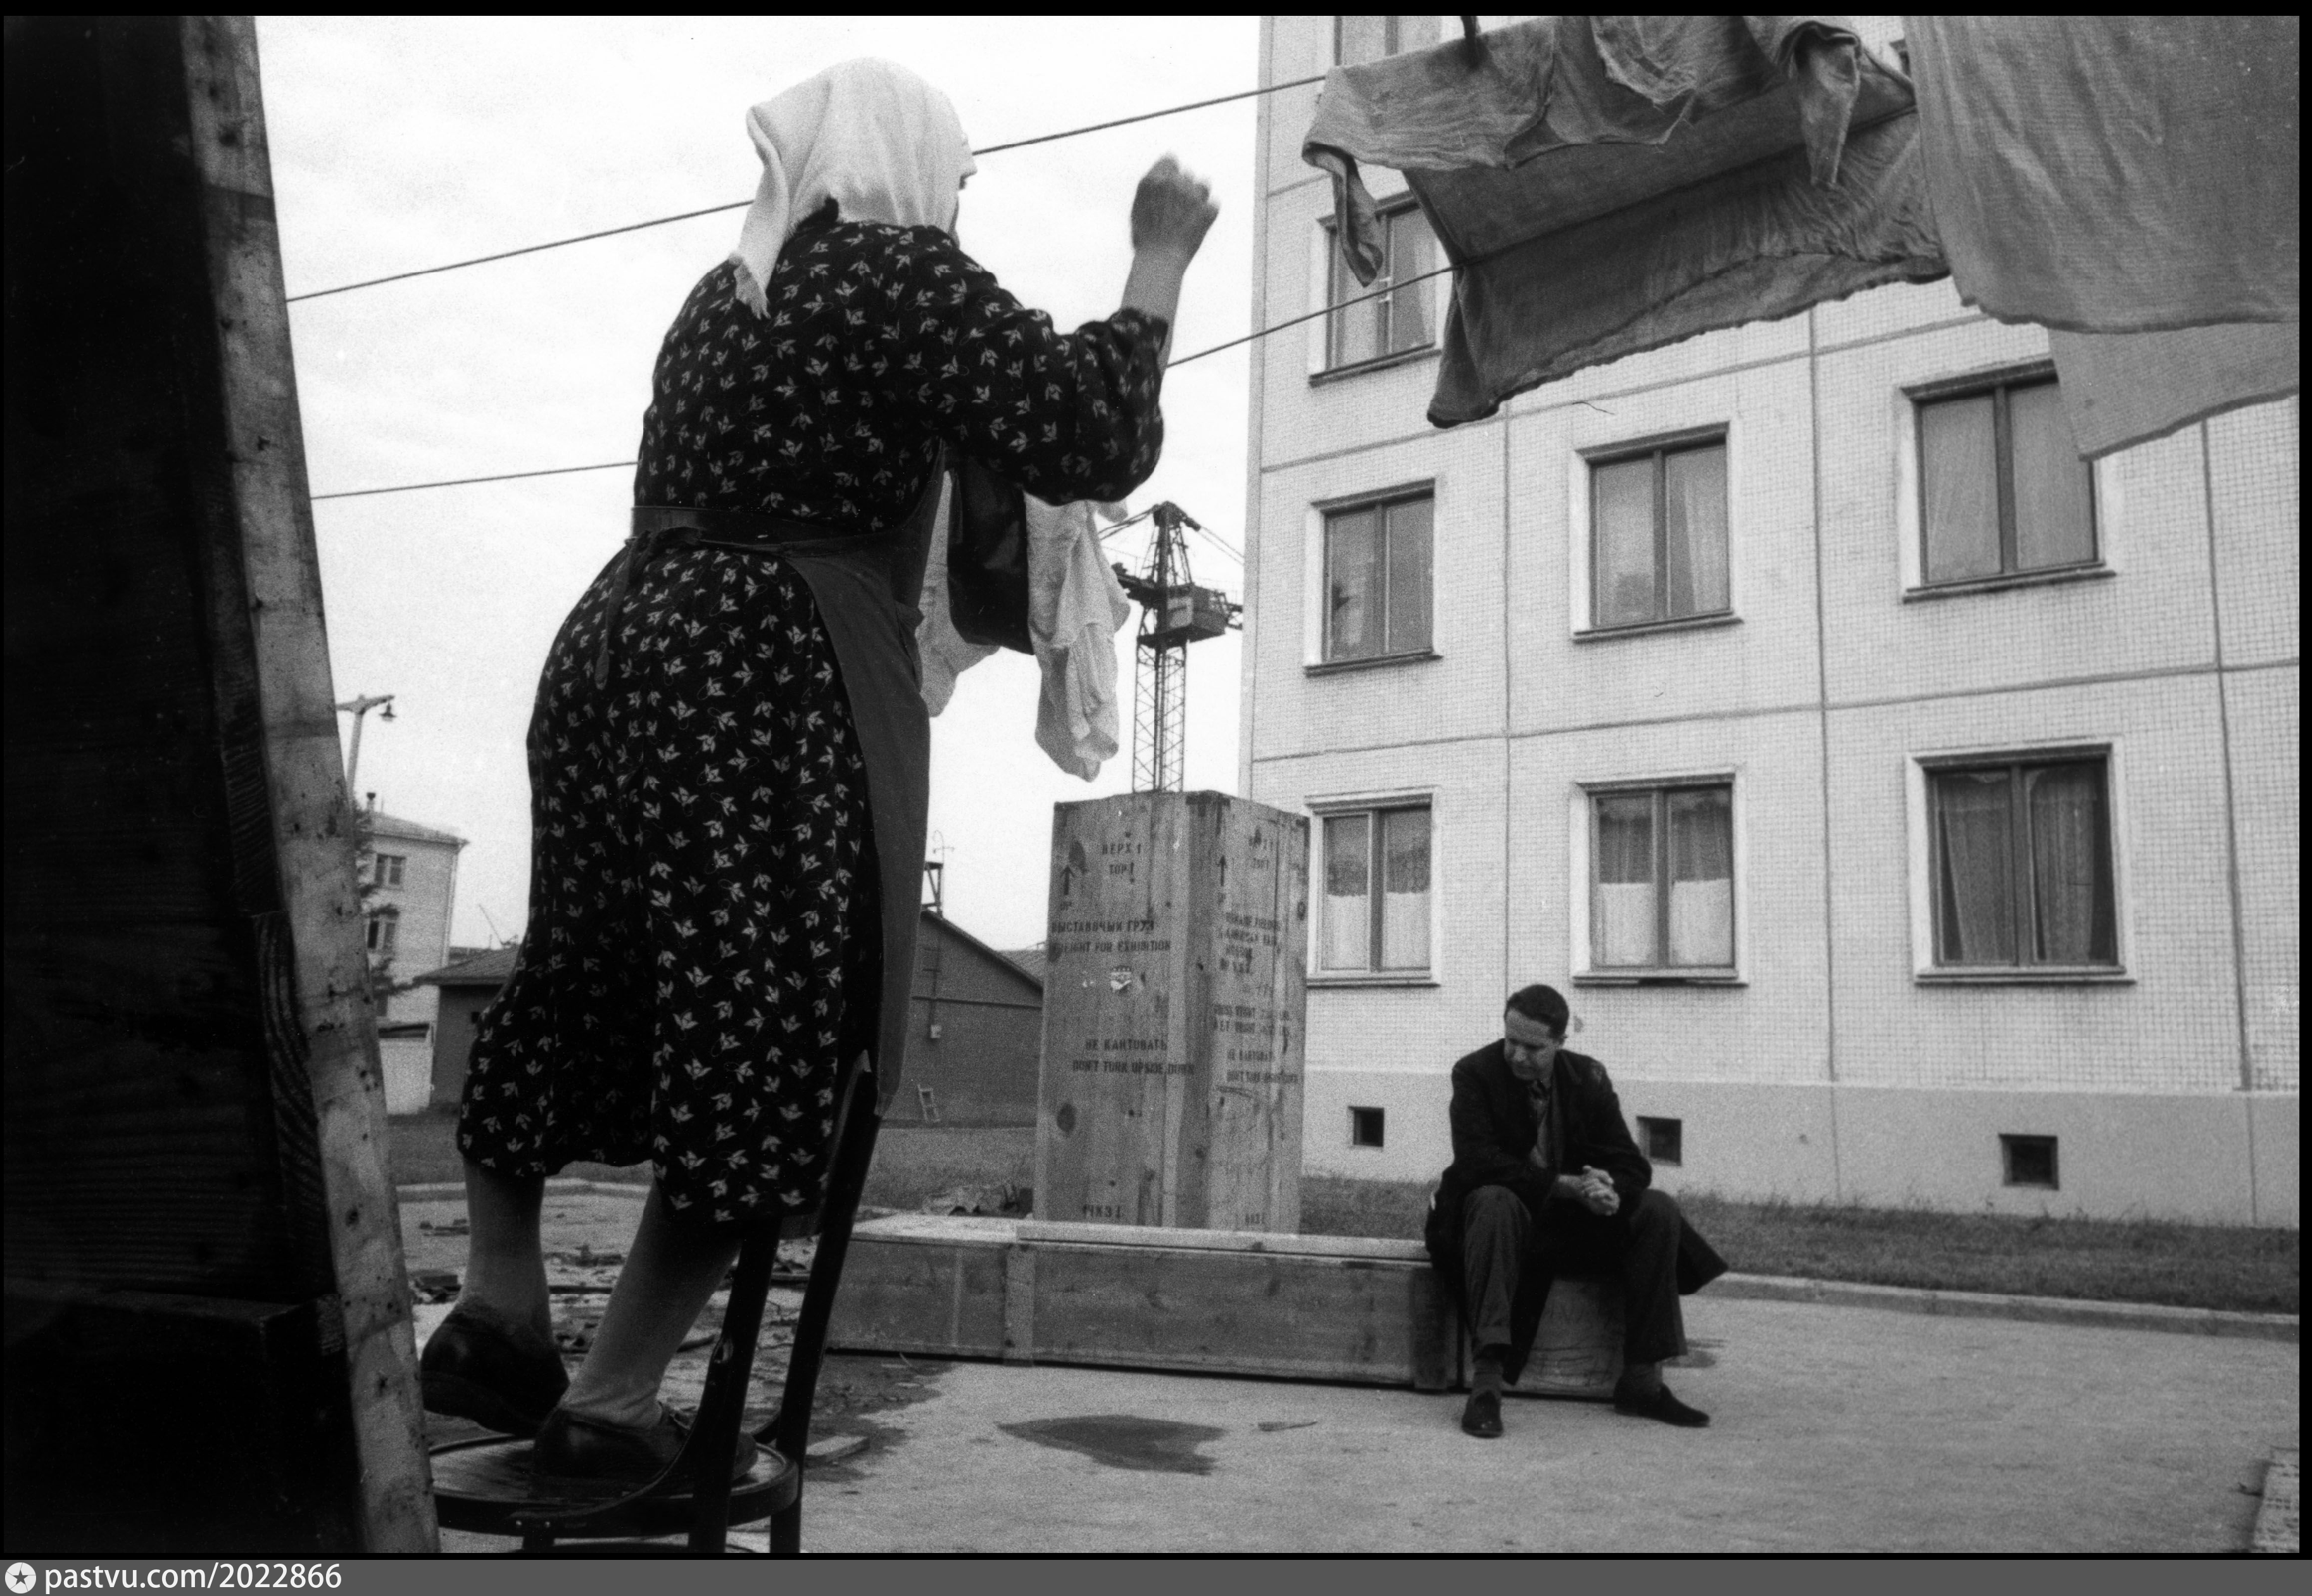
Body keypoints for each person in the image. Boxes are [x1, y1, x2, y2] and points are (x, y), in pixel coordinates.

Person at [418, 58, 1218, 1485]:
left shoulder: (722, 295)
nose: (957, 205)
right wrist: (1156, 257)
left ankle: (497, 1302)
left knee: (579, 977)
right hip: (760, 665)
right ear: (907, 164)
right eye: (956, 179)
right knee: (776, 1039)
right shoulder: (897, 274)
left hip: (616, 638)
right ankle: (612, 1399)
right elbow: (1089, 433)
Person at [1424, 984, 1728, 1439]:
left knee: (1657, 1209)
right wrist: (1566, 1186)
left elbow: (1632, 1165)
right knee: (1493, 1199)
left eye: (1533, 1048)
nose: (1518, 1056)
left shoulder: (1588, 1077)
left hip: (1566, 1228)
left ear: (1560, 1043)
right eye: (1511, 1041)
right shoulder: (1474, 1073)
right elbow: (1477, 1161)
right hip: (1495, 1228)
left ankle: (1642, 1382)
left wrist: (1607, 1187)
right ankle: (1486, 1384)